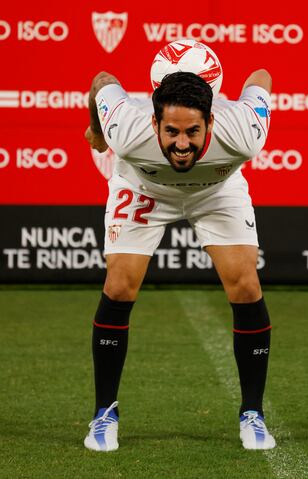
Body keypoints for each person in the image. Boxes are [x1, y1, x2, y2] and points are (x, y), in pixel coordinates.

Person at [84, 67, 275, 451]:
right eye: (171, 132)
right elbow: (103, 80)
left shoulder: (244, 132)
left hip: (215, 190)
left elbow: (261, 76)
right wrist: (98, 131)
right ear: (154, 123)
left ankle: (252, 413)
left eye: (193, 131)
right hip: (144, 187)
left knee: (246, 284)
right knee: (119, 287)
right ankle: (104, 413)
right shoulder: (127, 128)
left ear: (212, 121)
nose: (182, 144)